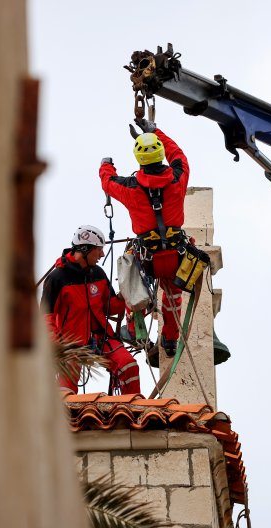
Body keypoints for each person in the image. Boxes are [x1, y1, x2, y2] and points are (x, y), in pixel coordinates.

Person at [98, 121, 190, 358]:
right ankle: (170, 340)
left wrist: (106, 165)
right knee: (173, 297)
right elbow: (178, 155)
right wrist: (154, 131)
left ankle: (133, 326)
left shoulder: (130, 188)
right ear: (160, 154)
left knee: (131, 280)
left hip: (147, 258)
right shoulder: (178, 179)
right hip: (176, 254)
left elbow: (108, 182)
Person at [40, 225, 141, 395]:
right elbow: (46, 317)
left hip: (101, 338)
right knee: (65, 391)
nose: (102, 254)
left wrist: (127, 296)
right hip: (70, 344)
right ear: (85, 250)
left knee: (129, 366)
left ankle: (134, 411)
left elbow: (110, 307)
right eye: (99, 250)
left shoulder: (98, 274)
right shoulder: (57, 279)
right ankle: (66, 420)